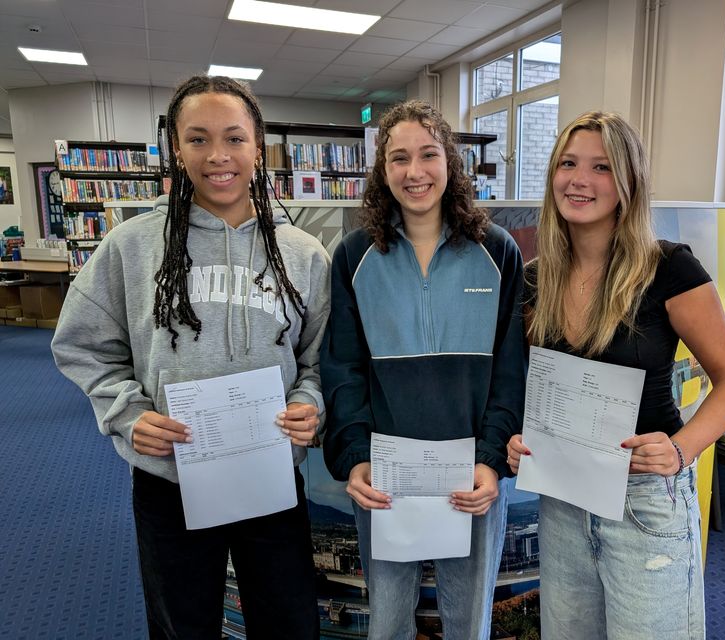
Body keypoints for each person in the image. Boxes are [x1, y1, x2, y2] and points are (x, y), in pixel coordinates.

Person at [52, 75, 330, 639]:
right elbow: (81, 344)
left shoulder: (302, 253)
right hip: (170, 477)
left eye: (234, 138)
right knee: (184, 625)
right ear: (175, 149)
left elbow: (320, 356)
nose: (218, 156)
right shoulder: (131, 245)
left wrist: (310, 401)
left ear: (259, 148)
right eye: (198, 139)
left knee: (288, 621)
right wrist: (127, 415)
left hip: (268, 472)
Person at [507, 111, 725, 640]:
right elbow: (529, 382)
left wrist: (681, 449)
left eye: (601, 167)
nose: (580, 180)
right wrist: (517, 436)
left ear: (628, 182)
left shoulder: (670, 269)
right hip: (564, 496)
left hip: (645, 498)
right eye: (569, 164)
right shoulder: (534, 280)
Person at [320, 99, 526, 640]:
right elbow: (342, 367)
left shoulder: (498, 251)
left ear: (450, 163)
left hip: (473, 475)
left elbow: (511, 366)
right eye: (399, 158)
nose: (415, 172)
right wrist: (356, 457)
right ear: (381, 170)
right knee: (387, 622)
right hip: (387, 476)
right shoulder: (354, 256)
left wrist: (491, 459)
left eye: (429, 155)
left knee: (468, 621)